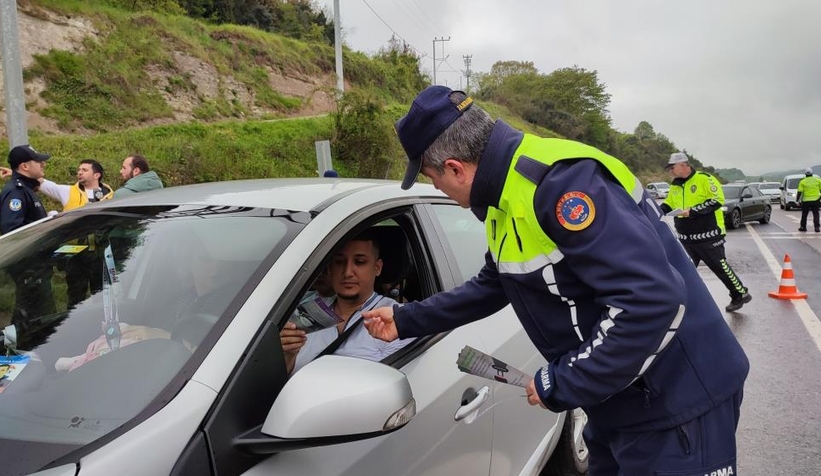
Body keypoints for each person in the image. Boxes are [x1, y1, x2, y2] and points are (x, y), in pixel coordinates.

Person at [362, 86, 749, 475]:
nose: (436, 188)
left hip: (677, 402)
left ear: (454, 168)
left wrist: (562, 382)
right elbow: (494, 283)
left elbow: (651, 302)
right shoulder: (505, 198)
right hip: (621, 401)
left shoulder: (560, 184)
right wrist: (406, 320)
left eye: (431, 178)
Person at [279, 230, 412, 375]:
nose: (348, 272)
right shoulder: (304, 314)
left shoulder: (395, 318)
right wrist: (288, 355)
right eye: (339, 262)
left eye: (359, 262)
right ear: (330, 268)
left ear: (377, 268)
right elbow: (276, 380)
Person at [660, 152, 751, 312]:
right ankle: (681, 302)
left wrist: (692, 211)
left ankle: (740, 293)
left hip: (708, 235)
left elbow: (716, 200)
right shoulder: (675, 185)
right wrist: (657, 210)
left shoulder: (704, 179)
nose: (671, 172)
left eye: (672, 168)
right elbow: (669, 203)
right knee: (682, 270)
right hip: (686, 237)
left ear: (683, 165)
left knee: (720, 266)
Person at [0, 145, 57, 326]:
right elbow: (14, 231)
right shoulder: (16, 192)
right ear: (25, 166)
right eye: (38, 161)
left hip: (36, 267)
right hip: (29, 269)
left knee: (37, 319)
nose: (43, 165)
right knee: (35, 321)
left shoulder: (26, 189)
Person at [796, 167, 821, 232]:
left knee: (804, 214)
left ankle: (803, 227)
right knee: (816, 214)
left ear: (805, 174)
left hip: (806, 201)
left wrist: (797, 200)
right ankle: (817, 228)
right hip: (816, 200)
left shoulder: (802, 181)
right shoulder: (818, 180)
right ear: (812, 173)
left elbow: (799, 192)